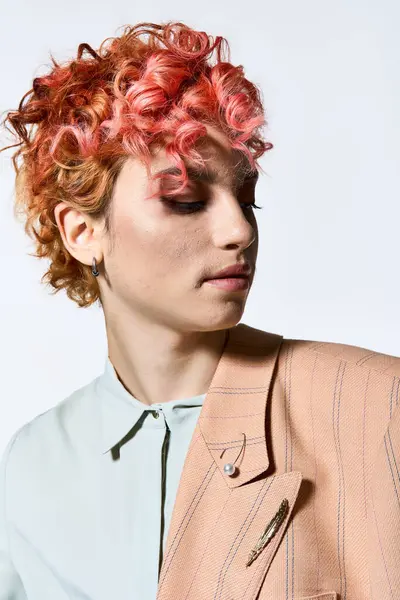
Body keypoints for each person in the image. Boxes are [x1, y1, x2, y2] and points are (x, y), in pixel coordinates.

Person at [0, 20, 398, 600]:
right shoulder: (33, 464)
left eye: (246, 197)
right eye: (185, 200)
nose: (239, 230)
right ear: (83, 231)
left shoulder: (375, 408)